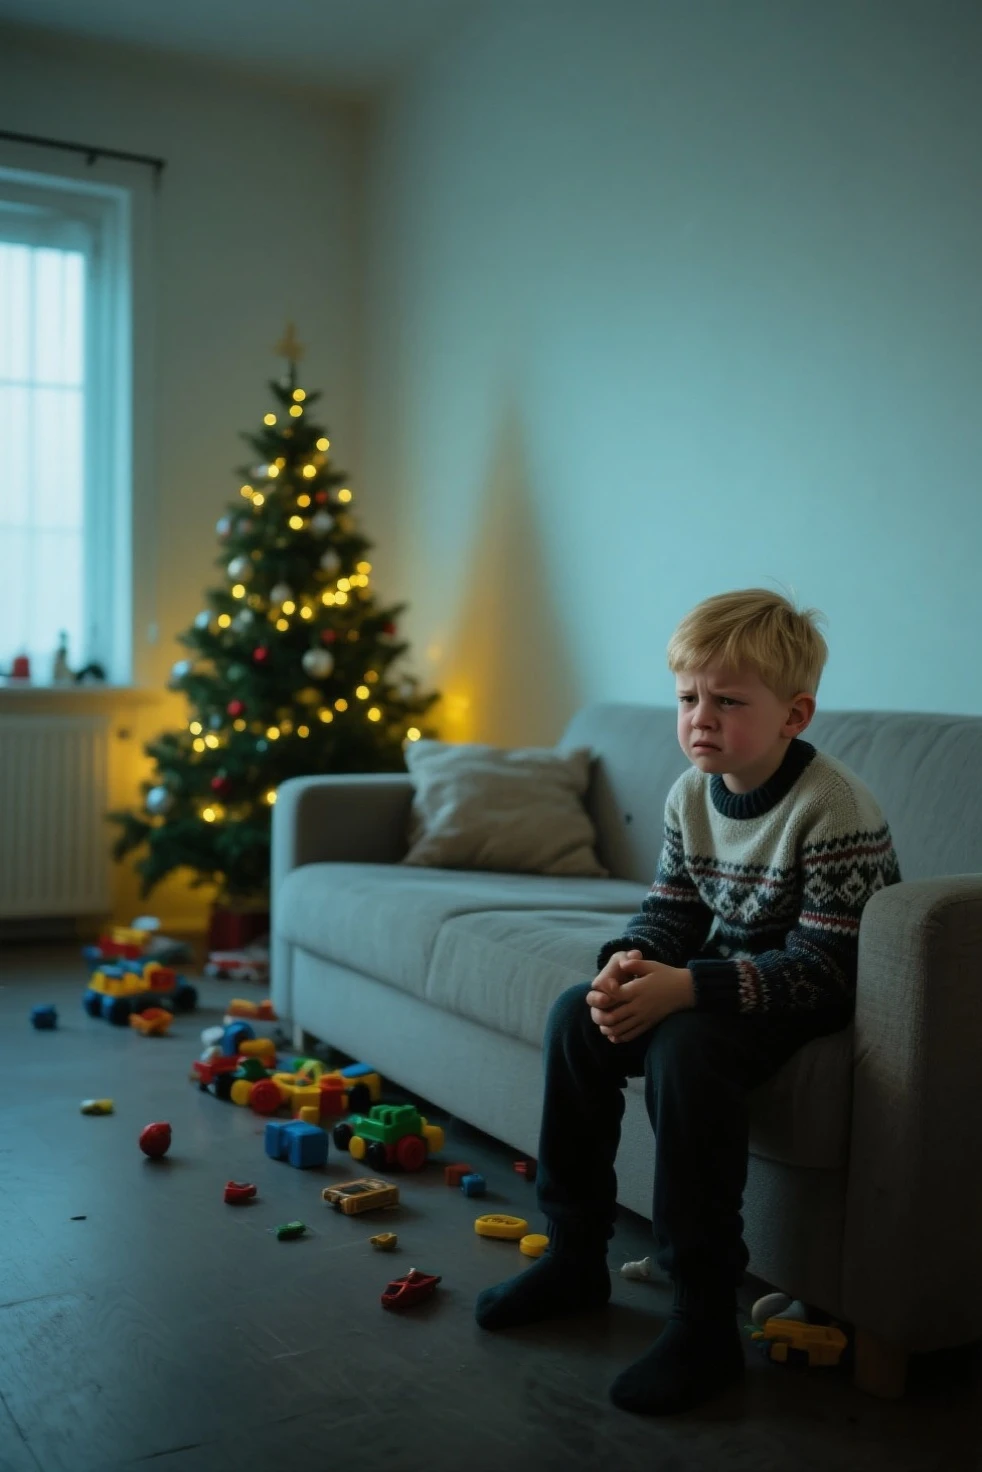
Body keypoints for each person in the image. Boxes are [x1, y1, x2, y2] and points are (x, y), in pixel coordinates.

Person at [474, 588, 902, 1415]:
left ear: (794, 715)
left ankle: (703, 1317)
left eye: (728, 701)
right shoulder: (689, 794)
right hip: (722, 981)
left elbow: (826, 968)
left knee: (686, 1048)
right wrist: (627, 966)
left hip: (805, 998)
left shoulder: (833, 807)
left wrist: (690, 989)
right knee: (575, 1017)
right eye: (688, 698)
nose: (700, 719)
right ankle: (573, 1256)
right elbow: (672, 909)